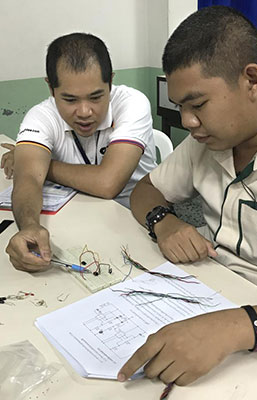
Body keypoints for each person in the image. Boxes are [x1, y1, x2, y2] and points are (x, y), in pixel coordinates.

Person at [117, 5, 257, 387]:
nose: (187, 121)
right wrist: (163, 222)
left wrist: (238, 326)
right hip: (211, 292)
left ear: (252, 80)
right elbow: (147, 190)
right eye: (181, 106)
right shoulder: (208, 141)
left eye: (198, 105)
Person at [2, 32, 156, 272]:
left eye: (96, 97)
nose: (85, 112)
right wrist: (29, 227)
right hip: (83, 220)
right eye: (70, 100)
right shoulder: (41, 115)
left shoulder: (132, 103)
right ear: (51, 89)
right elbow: (28, 178)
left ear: (111, 82)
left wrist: (42, 164)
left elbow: (107, 183)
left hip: (140, 221)